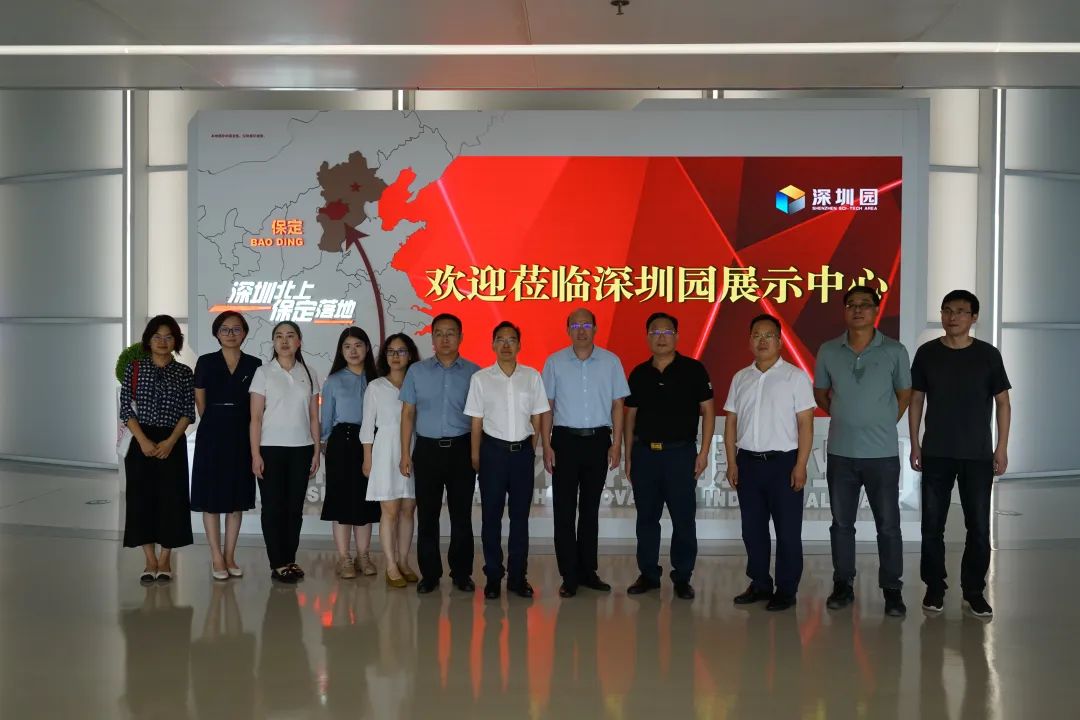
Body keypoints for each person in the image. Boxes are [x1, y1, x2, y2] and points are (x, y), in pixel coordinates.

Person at [910, 290, 1011, 618]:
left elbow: (1003, 403)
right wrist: (915, 443)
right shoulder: (927, 354)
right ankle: (934, 588)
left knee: (979, 526)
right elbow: (916, 400)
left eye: (960, 311)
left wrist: (1001, 447)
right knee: (932, 525)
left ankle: (974, 591)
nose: (952, 317)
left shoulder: (988, 355)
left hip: (977, 454)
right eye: (947, 311)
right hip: (937, 452)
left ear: (973, 317)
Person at [814, 287, 912, 617]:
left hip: (882, 454)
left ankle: (892, 589)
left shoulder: (895, 351)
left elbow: (904, 394)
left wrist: (881, 420)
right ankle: (843, 584)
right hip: (841, 452)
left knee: (888, 525)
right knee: (842, 524)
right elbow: (821, 394)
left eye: (865, 305)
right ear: (844, 311)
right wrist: (847, 417)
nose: (858, 310)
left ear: (876, 311)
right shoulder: (829, 350)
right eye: (851, 305)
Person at [723, 314, 815, 611]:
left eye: (769, 335)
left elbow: (806, 424)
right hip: (748, 463)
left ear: (780, 341)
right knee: (753, 530)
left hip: (783, 464)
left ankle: (786, 589)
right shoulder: (740, 378)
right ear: (749, 341)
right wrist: (731, 462)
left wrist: (800, 465)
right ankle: (760, 583)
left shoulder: (795, 377)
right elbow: (731, 423)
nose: (762, 341)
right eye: (756, 335)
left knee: (788, 532)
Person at [624, 312, 715, 600]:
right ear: (647, 337)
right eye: (655, 332)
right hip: (645, 455)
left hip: (680, 454)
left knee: (683, 518)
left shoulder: (694, 370)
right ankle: (649, 574)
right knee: (646, 518)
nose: (661, 337)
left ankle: (683, 576)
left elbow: (708, 411)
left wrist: (704, 452)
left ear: (676, 336)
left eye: (666, 332)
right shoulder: (639, 373)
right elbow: (630, 417)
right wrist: (628, 455)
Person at [541, 308, 630, 598]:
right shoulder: (554, 362)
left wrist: (616, 444)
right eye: (576, 325)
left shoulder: (611, 361)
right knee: (564, 510)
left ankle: (588, 571)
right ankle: (569, 575)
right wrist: (546, 444)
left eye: (587, 325)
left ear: (595, 328)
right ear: (567, 329)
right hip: (564, 441)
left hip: (598, 440)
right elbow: (547, 407)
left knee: (590, 510)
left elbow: (618, 405)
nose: (581, 330)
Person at [464, 321, 550, 600]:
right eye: (500, 339)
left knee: (520, 519)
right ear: (492, 345)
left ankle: (517, 577)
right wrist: (475, 454)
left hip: (522, 453)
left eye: (511, 339)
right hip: (492, 453)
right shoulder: (481, 379)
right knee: (491, 517)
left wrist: (530, 448)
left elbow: (538, 415)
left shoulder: (532, 377)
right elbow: (476, 421)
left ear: (519, 345)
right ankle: (492, 576)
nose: (505, 345)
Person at [399, 314, 481, 594]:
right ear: (431, 337)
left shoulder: (474, 373)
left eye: (451, 333)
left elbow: (479, 418)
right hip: (427, 451)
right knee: (427, 516)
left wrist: (476, 453)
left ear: (461, 337)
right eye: (439, 333)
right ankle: (430, 574)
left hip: (462, 450)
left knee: (462, 515)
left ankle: (462, 573)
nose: (445, 339)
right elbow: (407, 414)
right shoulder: (417, 372)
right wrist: (405, 453)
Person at [120, 314, 196, 582]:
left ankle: (165, 559)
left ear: (176, 341)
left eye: (168, 337)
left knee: (171, 500)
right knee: (141, 500)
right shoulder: (134, 369)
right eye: (157, 337)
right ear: (148, 340)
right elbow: (126, 409)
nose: (163, 342)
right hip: (140, 440)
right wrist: (142, 440)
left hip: (171, 441)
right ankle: (149, 560)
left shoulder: (184, 373)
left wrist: (171, 441)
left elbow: (188, 412)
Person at [192, 310, 262, 580]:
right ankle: (216, 557)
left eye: (236, 329)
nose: (231, 334)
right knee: (211, 499)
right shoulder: (206, 362)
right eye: (225, 329)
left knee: (235, 499)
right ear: (217, 333)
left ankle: (230, 555)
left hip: (243, 434)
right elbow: (201, 401)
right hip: (212, 433)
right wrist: (215, 420)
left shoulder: (255, 364)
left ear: (244, 333)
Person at [249, 321, 321, 583]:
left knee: (294, 509)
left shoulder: (309, 373)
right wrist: (255, 455)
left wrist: (316, 451)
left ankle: (290, 559)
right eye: (279, 336)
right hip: (270, 449)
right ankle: (278, 562)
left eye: (290, 336)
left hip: (301, 449)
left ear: (299, 341)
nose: (284, 341)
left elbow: (314, 417)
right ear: (274, 342)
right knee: (272, 508)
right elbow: (256, 418)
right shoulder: (263, 373)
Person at [320, 327, 381, 579]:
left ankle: (363, 555)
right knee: (342, 502)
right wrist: (324, 444)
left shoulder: (378, 379)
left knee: (366, 502)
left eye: (358, 345)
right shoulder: (333, 381)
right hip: (342, 443)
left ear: (367, 348)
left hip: (373, 443)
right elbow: (326, 420)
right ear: (341, 351)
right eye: (347, 346)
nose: (353, 351)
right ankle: (344, 557)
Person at [363, 334, 422, 588]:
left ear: (411, 355)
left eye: (402, 351)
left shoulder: (418, 383)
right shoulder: (376, 386)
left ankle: (404, 561)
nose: (396, 356)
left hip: (414, 447)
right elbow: (367, 426)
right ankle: (390, 565)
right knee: (389, 510)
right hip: (386, 450)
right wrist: (367, 457)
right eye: (391, 351)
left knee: (409, 508)